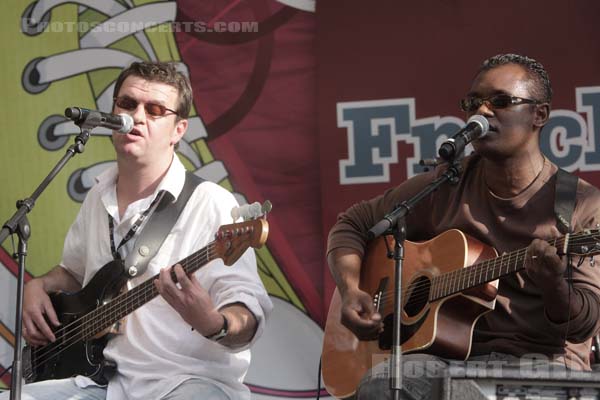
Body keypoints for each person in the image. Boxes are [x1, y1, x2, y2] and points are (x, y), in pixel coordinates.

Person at [326, 53, 600, 399]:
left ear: (539, 114)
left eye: (500, 101)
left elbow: (583, 327)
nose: (482, 112)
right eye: (473, 102)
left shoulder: (579, 206)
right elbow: (353, 223)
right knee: (386, 382)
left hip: (539, 365)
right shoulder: (449, 184)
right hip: (449, 362)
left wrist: (554, 285)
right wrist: (352, 291)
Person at [7, 61, 272, 400]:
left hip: (186, 383)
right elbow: (73, 274)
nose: (138, 116)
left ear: (179, 129)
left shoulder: (211, 204)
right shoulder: (98, 196)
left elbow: (248, 311)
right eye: (128, 104)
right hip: (106, 383)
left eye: (156, 110)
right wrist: (39, 286)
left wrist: (213, 323)